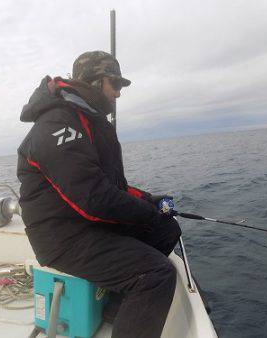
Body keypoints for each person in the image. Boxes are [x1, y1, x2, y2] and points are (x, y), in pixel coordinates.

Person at [17, 51, 182, 338]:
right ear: (93, 81)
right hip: (63, 238)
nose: (118, 94)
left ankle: (115, 308)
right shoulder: (59, 123)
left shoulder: (87, 121)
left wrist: (149, 201)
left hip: (87, 226)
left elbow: (111, 187)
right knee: (156, 275)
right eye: (114, 84)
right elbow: (93, 199)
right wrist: (146, 212)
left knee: (166, 228)